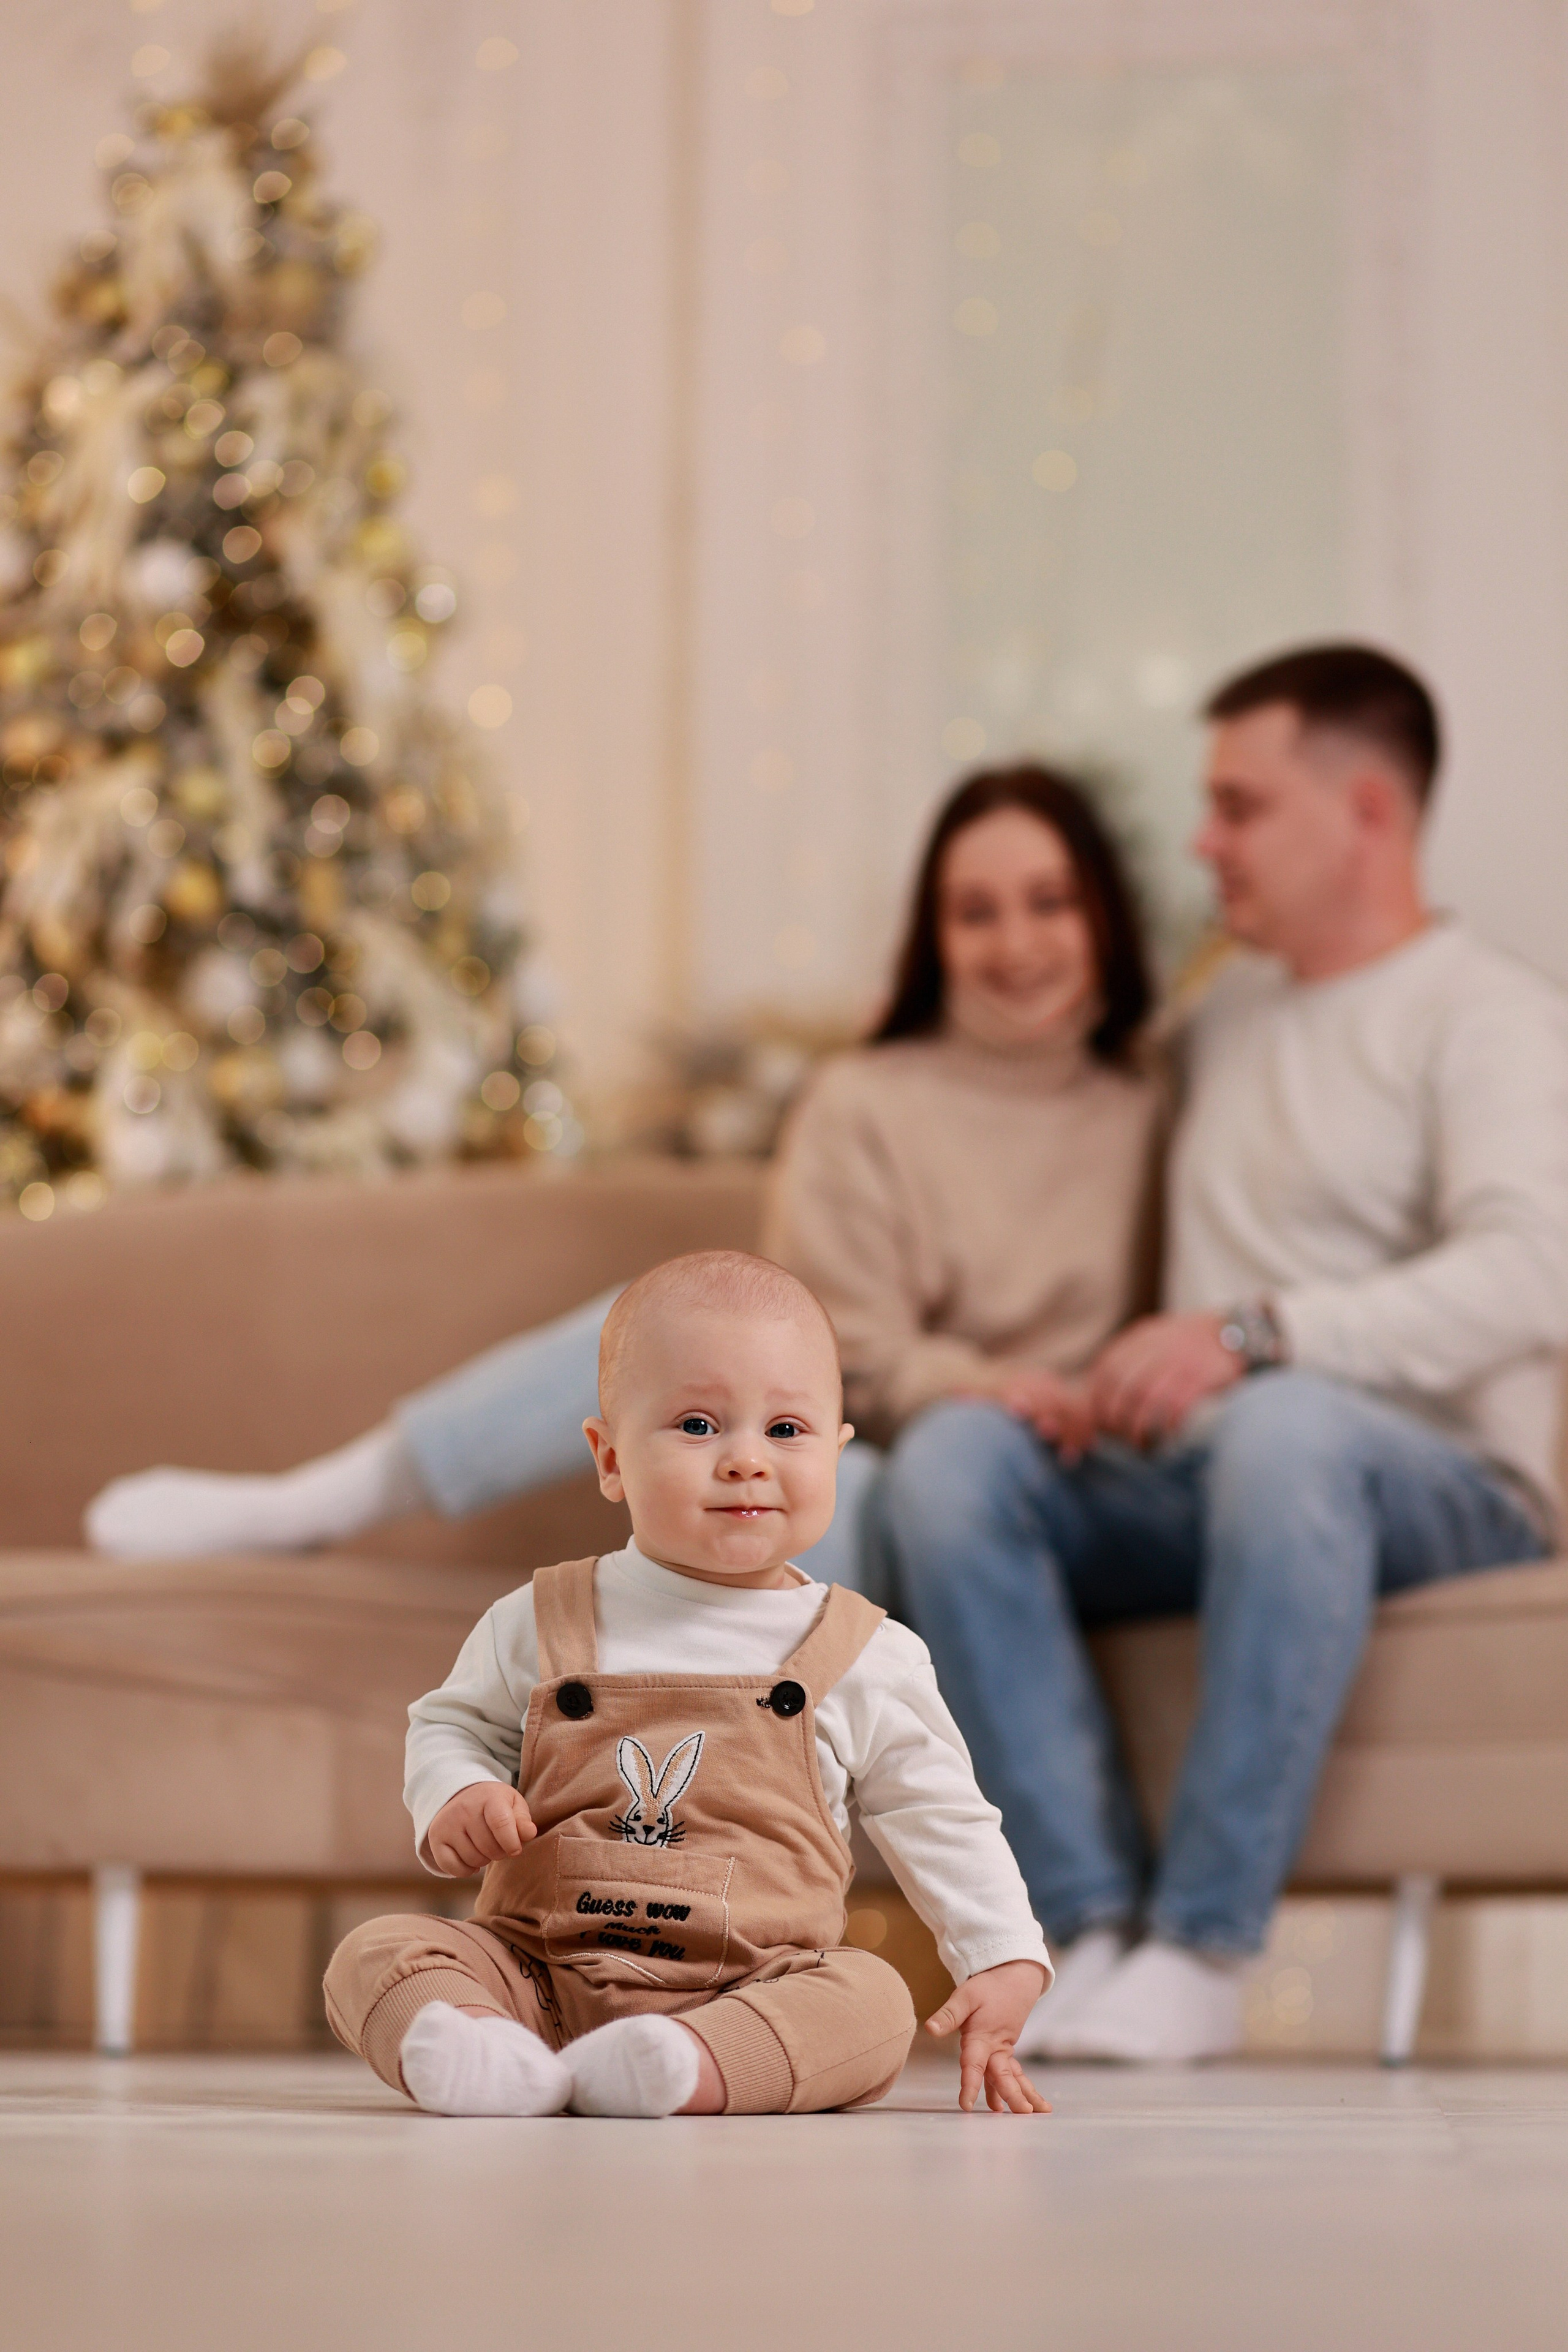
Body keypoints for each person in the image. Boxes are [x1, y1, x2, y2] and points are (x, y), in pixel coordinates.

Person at [881, 643, 1568, 2064]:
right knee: (951, 1464)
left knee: (1283, 1425)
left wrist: (1256, 1339)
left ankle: (1203, 1943)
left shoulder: (1488, 1017)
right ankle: (1080, 1927)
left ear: (1366, 813)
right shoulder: (1218, 1021)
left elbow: (1533, 1272)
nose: (1200, 843)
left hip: (1439, 1488)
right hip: (1202, 1478)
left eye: (1237, 806)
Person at [84, 763, 1164, 1605]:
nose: (1016, 942)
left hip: (1066, 1498)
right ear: (936, 936)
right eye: (977, 912)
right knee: (672, 1330)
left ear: (1103, 915)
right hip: (880, 1468)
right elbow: (841, 1343)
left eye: (1050, 902)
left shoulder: (1160, 1102)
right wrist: (975, 1384)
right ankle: (324, 1499)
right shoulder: (864, 1101)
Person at [322, 1251, 1052, 2118]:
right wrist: (461, 1791)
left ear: (839, 1448)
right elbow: (450, 1725)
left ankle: (681, 2065)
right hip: (536, 1972)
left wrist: (1002, 1954)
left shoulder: (866, 1653)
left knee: (873, 2001)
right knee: (375, 1953)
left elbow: (940, 1814)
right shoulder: (544, 1616)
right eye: (699, 1426)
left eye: (786, 1430)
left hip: (756, 1986)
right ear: (611, 1457)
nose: (746, 1460)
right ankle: (486, 2048)